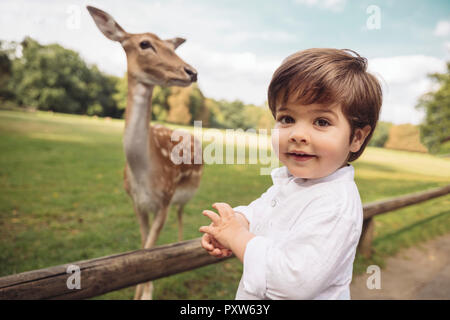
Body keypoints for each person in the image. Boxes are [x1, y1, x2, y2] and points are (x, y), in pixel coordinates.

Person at [199, 48, 382, 300]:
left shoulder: (335, 206)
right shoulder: (293, 182)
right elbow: (260, 210)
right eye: (287, 118)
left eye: (321, 122)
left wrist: (237, 237)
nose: (297, 134)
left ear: (356, 138)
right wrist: (234, 223)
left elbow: (289, 284)